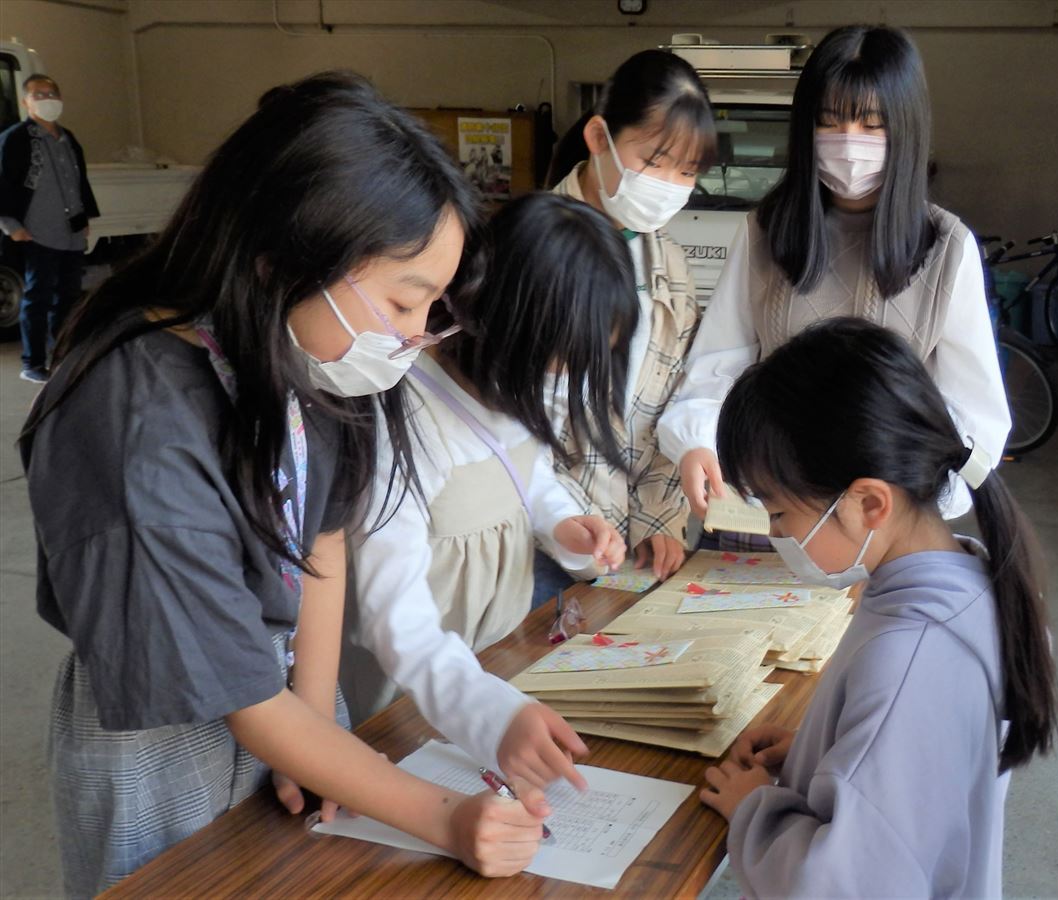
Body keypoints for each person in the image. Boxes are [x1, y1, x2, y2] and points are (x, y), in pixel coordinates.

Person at [19, 72, 581, 895]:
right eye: (404, 302)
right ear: (287, 256)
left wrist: (317, 717)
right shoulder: (135, 416)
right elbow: (234, 693)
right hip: (168, 734)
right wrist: (445, 819)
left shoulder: (306, 352)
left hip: (292, 701)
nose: (419, 338)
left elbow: (321, 537)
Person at [698, 317, 1058, 897]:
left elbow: (847, 884)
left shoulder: (911, 655)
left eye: (778, 514)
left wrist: (755, 811)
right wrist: (834, 750)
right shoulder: (970, 581)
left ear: (868, 503)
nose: (775, 536)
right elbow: (925, 772)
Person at [658, 25, 1010, 524]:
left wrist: (921, 496)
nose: (849, 142)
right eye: (829, 122)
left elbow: (973, 410)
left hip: (887, 517)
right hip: (775, 508)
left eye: (871, 125)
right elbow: (720, 364)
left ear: (905, 128)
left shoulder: (946, 246)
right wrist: (696, 441)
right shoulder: (767, 231)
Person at [341, 192, 633, 726]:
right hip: (412, 693)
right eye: (564, 357)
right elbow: (393, 610)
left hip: (495, 662)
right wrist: (481, 711)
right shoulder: (406, 416)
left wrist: (563, 524)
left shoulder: (514, 387)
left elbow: (526, 471)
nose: (568, 377)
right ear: (514, 326)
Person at [533, 49, 716, 601]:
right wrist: (567, 519)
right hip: (540, 539)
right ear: (598, 137)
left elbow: (672, 396)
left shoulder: (672, 266)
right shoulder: (532, 248)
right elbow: (513, 416)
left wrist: (658, 517)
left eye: (687, 171)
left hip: (629, 547)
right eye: (654, 160)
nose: (669, 184)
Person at [0, 74, 99, 383]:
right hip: (36, 232)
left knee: (68, 299)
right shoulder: (15, 138)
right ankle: (32, 363)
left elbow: (78, 182)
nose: (47, 99)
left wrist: (83, 222)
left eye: (51, 93)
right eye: (38, 95)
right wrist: (10, 225)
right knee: (37, 299)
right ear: (26, 102)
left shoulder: (68, 138)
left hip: (69, 235)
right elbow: (2, 183)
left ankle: (63, 357)